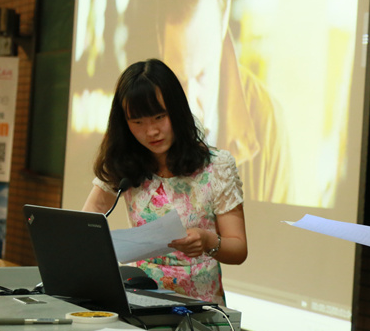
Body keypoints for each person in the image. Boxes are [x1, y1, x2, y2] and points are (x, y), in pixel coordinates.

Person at [82, 59, 247, 306]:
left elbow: (238, 248)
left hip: (200, 311)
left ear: (177, 110)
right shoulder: (124, 164)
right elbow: (87, 219)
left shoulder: (216, 166)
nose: (151, 131)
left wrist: (208, 240)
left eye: (159, 117)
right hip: (141, 303)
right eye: (137, 122)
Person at [154, 0, 291, 204]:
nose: (188, 104)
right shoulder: (135, 112)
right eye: (177, 80)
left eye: (203, 75)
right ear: (159, 38)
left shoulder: (267, 122)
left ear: (225, 11)